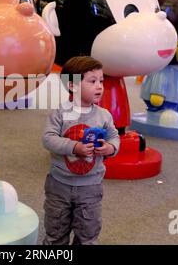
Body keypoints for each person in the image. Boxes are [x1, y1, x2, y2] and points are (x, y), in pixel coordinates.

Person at [42, 56, 120, 245]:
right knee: (55, 230)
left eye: (101, 81)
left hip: (91, 186)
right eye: (92, 81)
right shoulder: (60, 113)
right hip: (59, 185)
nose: (100, 86)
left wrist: (110, 148)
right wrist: (74, 147)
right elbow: (48, 138)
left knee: (88, 233)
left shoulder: (104, 115)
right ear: (73, 86)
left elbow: (114, 137)